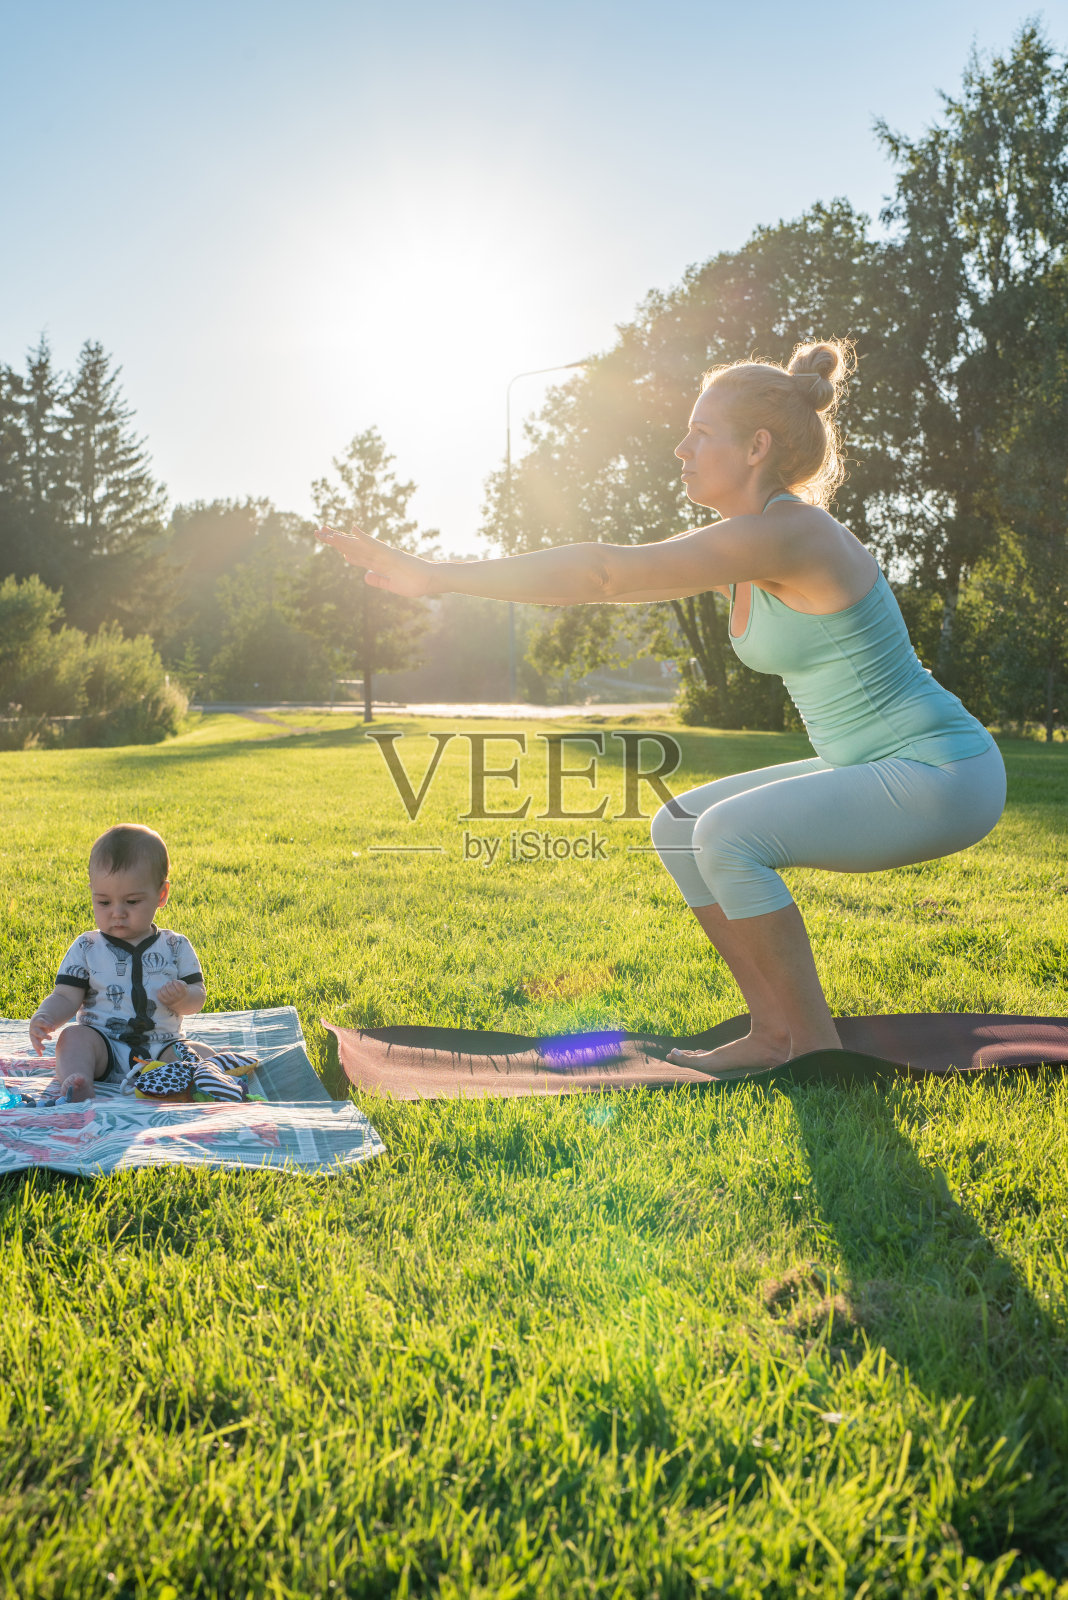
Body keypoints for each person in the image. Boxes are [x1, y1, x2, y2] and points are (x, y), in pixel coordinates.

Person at [316, 340, 1005, 1079]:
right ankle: (774, 1028)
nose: (681, 448)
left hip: (942, 772)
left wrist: (436, 575)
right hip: (877, 764)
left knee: (729, 836)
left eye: (700, 433)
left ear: (756, 447)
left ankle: (812, 1045)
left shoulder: (792, 534)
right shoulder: (747, 543)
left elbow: (604, 570)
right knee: (678, 827)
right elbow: (610, 575)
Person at [29, 824, 209, 1102]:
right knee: (73, 1039)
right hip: (103, 1045)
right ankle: (77, 1083)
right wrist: (47, 1017)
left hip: (162, 1047)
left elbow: (198, 997)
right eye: (103, 902)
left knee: (199, 1053)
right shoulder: (87, 947)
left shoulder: (175, 946)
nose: (117, 913)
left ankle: (192, 1081)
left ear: (161, 895)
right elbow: (66, 995)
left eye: (132, 901)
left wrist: (184, 997)